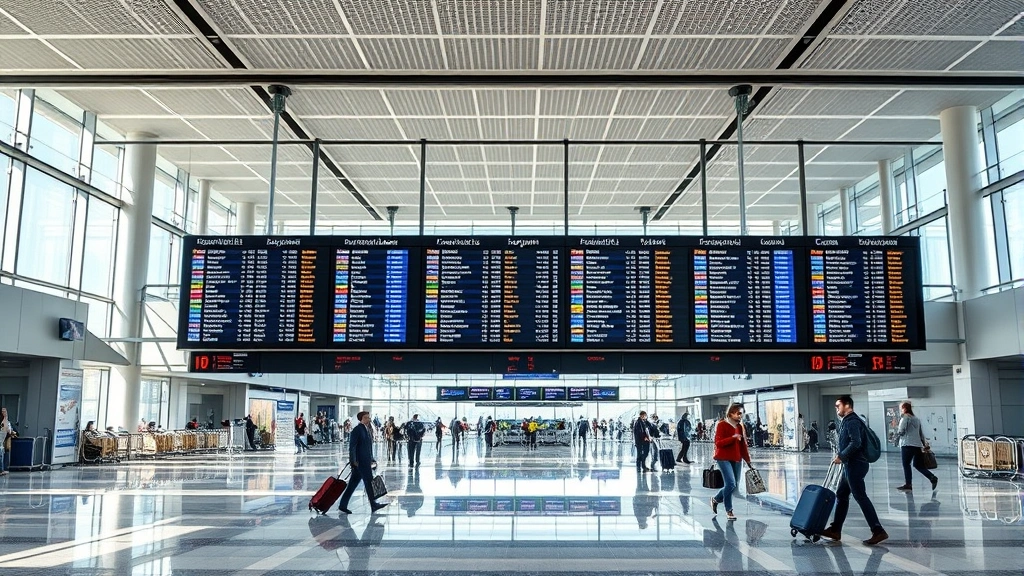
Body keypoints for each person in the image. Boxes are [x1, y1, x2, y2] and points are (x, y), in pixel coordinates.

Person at [820, 395, 888, 546]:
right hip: (851, 464)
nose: (836, 408)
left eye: (838, 405)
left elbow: (856, 442)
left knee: (860, 496)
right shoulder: (848, 421)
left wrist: (842, 456)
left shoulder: (852, 421)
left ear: (847, 405)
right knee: (842, 494)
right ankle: (835, 529)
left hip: (855, 464)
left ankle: (878, 530)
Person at [337, 411, 389, 515]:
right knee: (369, 483)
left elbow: (368, 447)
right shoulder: (357, 430)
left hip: (365, 461)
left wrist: (372, 459)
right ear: (361, 419)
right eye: (366, 418)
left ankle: (343, 505)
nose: (368, 419)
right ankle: (373, 504)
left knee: (352, 485)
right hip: (360, 463)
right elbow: (352, 446)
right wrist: (353, 461)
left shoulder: (367, 429)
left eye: (368, 417)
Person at [710, 403, 751, 521]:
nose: (740, 416)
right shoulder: (722, 425)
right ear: (731, 413)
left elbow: (743, 445)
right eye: (738, 413)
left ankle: (716, 499)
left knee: (734, 486)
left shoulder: (739, 426)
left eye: (741, 414)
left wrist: (747, 460)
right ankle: (729, 510)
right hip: (723, 458)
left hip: (736, 458)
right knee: (730, 483)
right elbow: (718, 443)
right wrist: (733, 438)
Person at [892, 401, 938, 492]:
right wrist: (924, 444)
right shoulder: (916, 419)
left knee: (906, 464)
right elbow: (920, 433)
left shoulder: (905, 417)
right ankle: (932, 477)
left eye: (901, 408)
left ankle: (908, 484)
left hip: (907, 444)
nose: (901, 410)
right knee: (918, 465)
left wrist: (896, 432)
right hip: (917, 445)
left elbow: (901, 431)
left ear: (904, 409)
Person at [0, 407, 11, 475]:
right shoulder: (4, 421)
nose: (4, 413)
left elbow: (8, 430)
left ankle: (1, 469)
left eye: (5, 411)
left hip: (2, 440)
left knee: (1, 454)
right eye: (3, 411)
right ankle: (1, 470)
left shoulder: (6, 422)